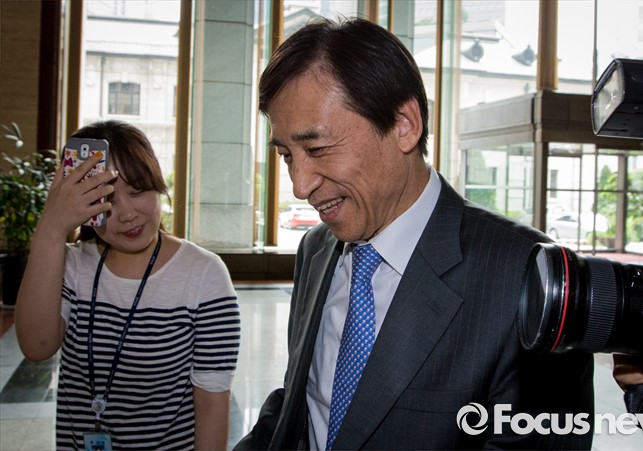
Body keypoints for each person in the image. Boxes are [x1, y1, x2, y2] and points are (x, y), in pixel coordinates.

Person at [236, 17, 593, 450]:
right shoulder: (316, 249)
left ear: (404, 124)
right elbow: (303, 405)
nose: (299, 185)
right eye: (286, 155)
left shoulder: (531, 279)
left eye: (317, 149)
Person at [15, 120, 240, 450]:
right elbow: (37, 346)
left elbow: (211, 403)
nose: (127, 214)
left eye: (138, 191)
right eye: (105, 199)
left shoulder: (204, 274)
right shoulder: (70, 266)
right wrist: (52, 227)